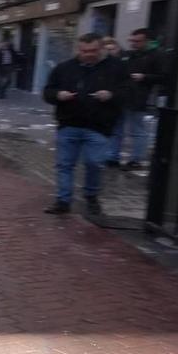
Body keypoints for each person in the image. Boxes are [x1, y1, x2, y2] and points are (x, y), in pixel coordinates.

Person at [42, 32, 131, 217]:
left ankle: (91, 196)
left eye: (93, 50)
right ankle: (63, 201)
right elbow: (48, 91)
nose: (89, 54)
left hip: (99, 125)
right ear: (78, 49)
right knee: (65, 164)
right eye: (85, 51)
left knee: (94, 162)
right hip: (69, 123)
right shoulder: (64, 68)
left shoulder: (117, 68)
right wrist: (58, 95)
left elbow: (128, 92)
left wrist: (111, 95)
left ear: (101, 48)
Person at [120, 27, 176, 170]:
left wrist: (144, 77)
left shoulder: (158, 55)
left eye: (137, 41)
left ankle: (136, 159)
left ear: (147, 41)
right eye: (132, 41)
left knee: (138, 130)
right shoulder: (131, 54)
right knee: (122, 129)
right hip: (126, 95)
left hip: (141, 96)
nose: (133, 44)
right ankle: (114, 157)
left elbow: (165, 77)